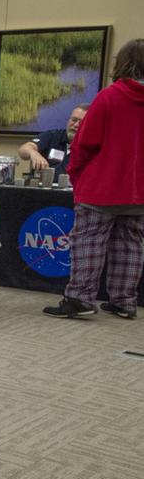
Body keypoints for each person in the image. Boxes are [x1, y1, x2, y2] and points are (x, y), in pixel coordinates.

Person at [43, 38, 144, 320]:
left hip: (101, 187)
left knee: (88, 242)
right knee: (131, 244)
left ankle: (80, 299)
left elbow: (84, 143)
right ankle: (124, 301)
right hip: (138, 190)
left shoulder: (109, 97)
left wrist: (76, 174)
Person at [17, 103, 89, 180]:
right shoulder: (53, 136)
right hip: (43, 186)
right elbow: (23, 150)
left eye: (81, 122)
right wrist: (33, 153)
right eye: (74, 120)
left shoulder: (91, 146)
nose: (75, 125)